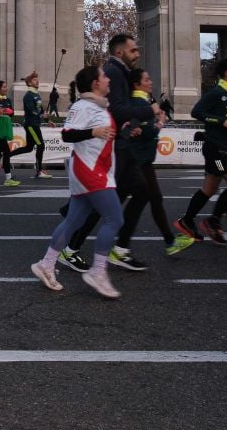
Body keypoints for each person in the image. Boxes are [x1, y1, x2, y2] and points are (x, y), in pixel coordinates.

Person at [58, 35, 158, 272]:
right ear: (121, 52)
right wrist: (147, 111)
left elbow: (114, 111)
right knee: (109, 200)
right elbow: (116, 108)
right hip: (114, 151)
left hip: (120, 146)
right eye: (134, 50)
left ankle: (114, 249)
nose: (138, 54)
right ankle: (76, 250)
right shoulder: (113, 71)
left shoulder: (117, 72)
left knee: (138, 192)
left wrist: (127, 125)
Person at [29, 65, 123, 298]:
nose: (108, 79)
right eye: (103, 77)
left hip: (96, 169)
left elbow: (100, 132)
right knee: (114, 218)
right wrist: (93, 132)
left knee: (74, 220)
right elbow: (67, 134)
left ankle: (47, 264)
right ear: (94, 83)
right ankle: (98, 272)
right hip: (90, 170)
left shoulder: (97, 106)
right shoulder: (83, 106)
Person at [174, 58, 227, 245]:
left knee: (209, 189)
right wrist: (220, 121)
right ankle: (213, 221)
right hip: (216, 149)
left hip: (223, 148)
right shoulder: (217, 92)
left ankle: (187, 221)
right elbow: (197, 112)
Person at [123, 68, 195, 256]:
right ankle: (117, 245)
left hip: (143, 161)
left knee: (154, 199)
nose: (151, 82)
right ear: (136, 84)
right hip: (136, 162)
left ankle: (170, 241)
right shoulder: (140, 103)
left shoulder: (144, 102)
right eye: (147, 80)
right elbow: (148, 133)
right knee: (115, 203)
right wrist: (161, 122)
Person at [9, 71, 53, 179]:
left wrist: (48, 120)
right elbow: (32, 110)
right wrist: (42, 115)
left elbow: (40, 110)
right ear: (29, 83)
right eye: (34, 80)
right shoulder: (28, 96)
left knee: (28, 148)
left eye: (37, 79)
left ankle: (7, 155)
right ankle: (39, 171)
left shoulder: (36, 94)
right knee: (41, 145)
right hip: (31, 125)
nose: (37, 81)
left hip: (34, 124)